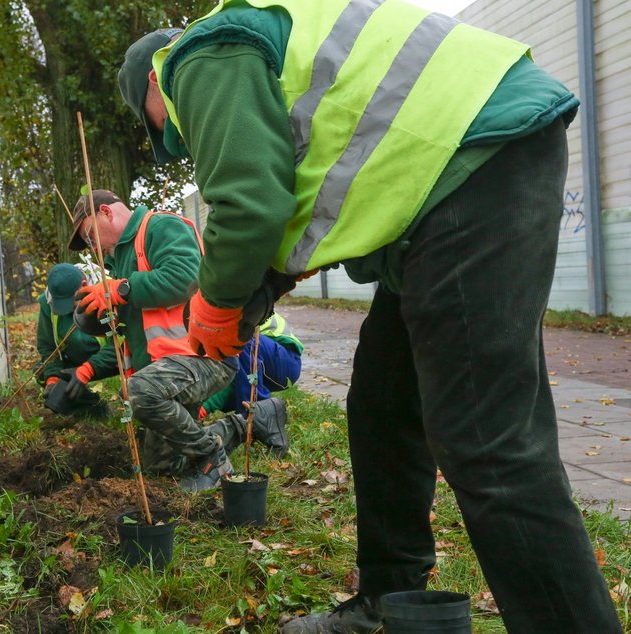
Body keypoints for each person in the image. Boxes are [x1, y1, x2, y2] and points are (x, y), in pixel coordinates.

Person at [118, 4, 621, 633]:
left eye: (162, 130)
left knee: (488, 442)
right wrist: (257, 292)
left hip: (473, 159)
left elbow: (248, 205)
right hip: (444, 185)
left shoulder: (196, 58)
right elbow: (300, 201)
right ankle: (385, 602)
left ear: (151, 88)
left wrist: (216, 308)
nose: (177, 140)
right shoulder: (254, 55)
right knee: (383, 404)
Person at [68, 190, 288, 490]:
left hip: (205, 356)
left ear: (106, 212)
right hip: (169, 370)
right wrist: (104, 318)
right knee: (164, 467)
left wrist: (121, 290)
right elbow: (138, 314)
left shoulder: (161, 227)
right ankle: (256, 419)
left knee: (139, 392)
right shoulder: (121, 260)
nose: (94, 248)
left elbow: (185, 277)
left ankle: (212, 457)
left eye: (91, 236)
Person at [36, 263, 115, 419]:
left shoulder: (109, 291)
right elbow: (47, 347)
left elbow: (124, 346)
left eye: (70, 303)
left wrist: (88, 370)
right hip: (75, 360)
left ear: (83, 286)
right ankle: (91, 406)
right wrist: (53, 378)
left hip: (112, 360)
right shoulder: (47, 302)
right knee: (41, 370)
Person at [201, 313, 302, 432]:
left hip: (286, 361)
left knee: (243, 341)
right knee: (238, 384)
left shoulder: (225, 313)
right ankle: (253, 417)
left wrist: (203, 408)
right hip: (265, 361)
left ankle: (258, 417)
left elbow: (235, 368)